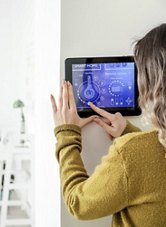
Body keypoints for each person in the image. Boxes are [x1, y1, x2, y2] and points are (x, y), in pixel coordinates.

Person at [50, 23, 166, 227]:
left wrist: (67, 135)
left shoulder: (132, 154)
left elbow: (78, 203)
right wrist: (129, 133)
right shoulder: (138, 150)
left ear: (151, 84)